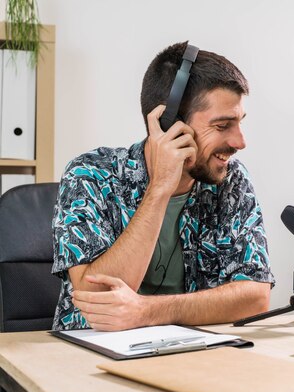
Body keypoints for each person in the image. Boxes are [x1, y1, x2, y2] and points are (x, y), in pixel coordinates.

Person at [51, 42, 274, 331]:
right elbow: (96, 299)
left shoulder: (231, 180)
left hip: (192, 355)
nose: (240, 142)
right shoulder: (90, 175)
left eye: (240, 123)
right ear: (170, 125)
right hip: (91, 359)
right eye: (222, 126)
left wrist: (146, 311)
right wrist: (159, 190)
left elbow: (255, 297)